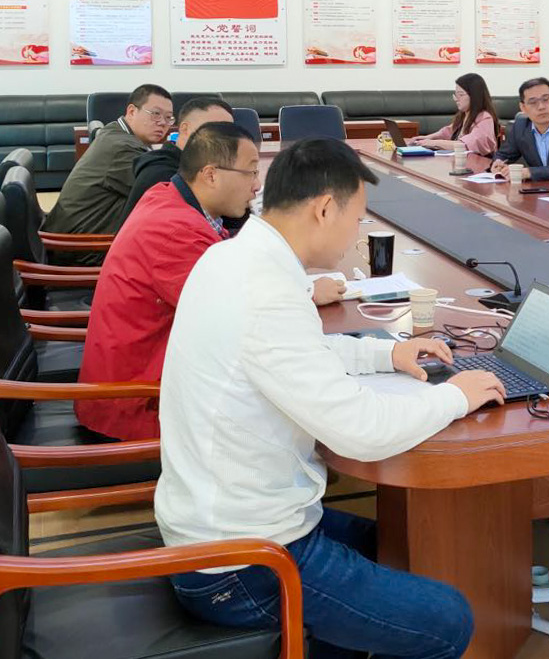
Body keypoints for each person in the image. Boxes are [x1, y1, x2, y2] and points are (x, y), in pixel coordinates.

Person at [156, 138, 506, 658]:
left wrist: (387, 355)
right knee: (447, 619)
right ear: (324, 209)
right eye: (356, 218)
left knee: (405, 543)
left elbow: (300, 351)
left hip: (221, 524)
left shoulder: (232, 257)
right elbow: (361, 433)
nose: (356, 233)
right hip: (242, 562)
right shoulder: (267, 292)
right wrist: (455, 396)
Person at [76, 123, 264, 440]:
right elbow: (243, 320)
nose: (257, 186)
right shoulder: (176, 232)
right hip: (137, 407)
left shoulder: (168, 196)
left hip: (144, 382)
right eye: (251, 173)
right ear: (211, 175)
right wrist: (307, 290)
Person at [44, 84, 172, 262]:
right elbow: (165, 193)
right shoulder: (122, 148)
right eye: (156, 114)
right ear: (132, 111)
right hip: (83, 250)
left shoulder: (114, 131)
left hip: (77, 238)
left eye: (168, 118)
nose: (163, 123)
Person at [118, 96, 235, 226]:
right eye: (214, 130)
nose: (225, 139)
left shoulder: (201, 168)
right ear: (185, 129)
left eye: (230, 132)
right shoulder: (163, 175)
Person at [408, 72, 501, 155]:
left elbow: (464, 145)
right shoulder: (464, 115)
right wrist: (427, 138)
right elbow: (448, 132)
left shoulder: (485, 118)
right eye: (455, 94)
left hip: (478, 165)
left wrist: (434, 143)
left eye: (460, 95)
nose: (456, 99)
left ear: (475, 96)